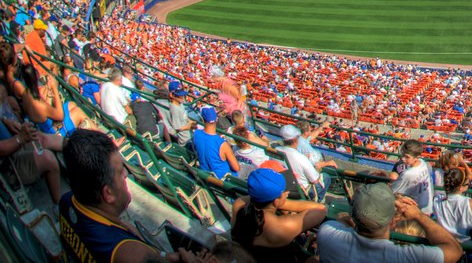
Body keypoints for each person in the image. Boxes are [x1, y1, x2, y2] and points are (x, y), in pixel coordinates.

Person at [60, 128, 204, 262]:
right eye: (120, 171)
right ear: (108, 193)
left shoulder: (66, 201)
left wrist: (162, 255)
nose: (126, 173)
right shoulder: (131, 254)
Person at [318, 182, 463, 262]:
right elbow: (454, 250)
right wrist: (419, 216)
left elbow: (342, 220)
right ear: (393, 221)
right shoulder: (406, 256)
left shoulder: (326, 233)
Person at [231, 168, 326, 263]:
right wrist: (282, 203)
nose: (287, 193)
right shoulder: (282, 226)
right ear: (276, 201)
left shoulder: (238, 205)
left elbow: (253, 199)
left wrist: (276, 200)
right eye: (284, 191)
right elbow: (321, 209)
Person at [433, 168, 472, 240]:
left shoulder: (437, 200)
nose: (468, 185)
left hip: (445, 241)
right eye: (467, 184)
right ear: (461, 188)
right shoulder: (471, 203)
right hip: (466, 243)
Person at [279, 124, 328, 201]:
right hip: (300, 191)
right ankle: (315, 204)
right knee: (326, 177)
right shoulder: (301, 158)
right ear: (295, 140)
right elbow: (315, 180)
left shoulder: (275, 150)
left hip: (283, 185)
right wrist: (317, 169)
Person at [194, 106, 240, 179]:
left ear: (202, 119)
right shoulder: (222, 144)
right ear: (217, 119)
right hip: (223, 180)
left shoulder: (196, 134)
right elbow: (236, 168)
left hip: (205, 176)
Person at [391, 139, 435, 214]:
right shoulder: (423, 162)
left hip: (417, 210)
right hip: (427, 206)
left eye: (407, 157)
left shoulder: (408, 174)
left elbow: (391, 192)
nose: (403, 159)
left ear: (417, 157)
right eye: (403, 155)